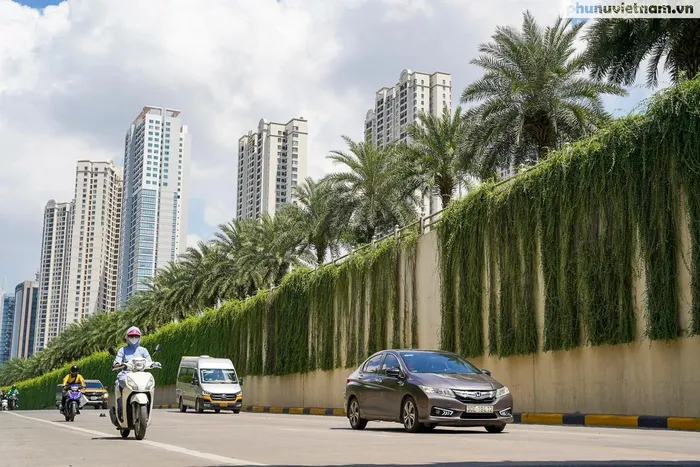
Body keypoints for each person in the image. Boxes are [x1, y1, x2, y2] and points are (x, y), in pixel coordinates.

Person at [112, 326, 151, 418]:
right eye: (131, 336)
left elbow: (149, 360)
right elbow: (117, 360)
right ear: (127, 337)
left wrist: (154, 364)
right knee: (121, 383)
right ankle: (121, 411)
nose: (134, 338)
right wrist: (117, 364)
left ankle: (147, 410)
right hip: (126, 374)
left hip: (141, 375)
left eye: (136, 336)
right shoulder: (123, 350)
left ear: (140, 337)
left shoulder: (143, 350)